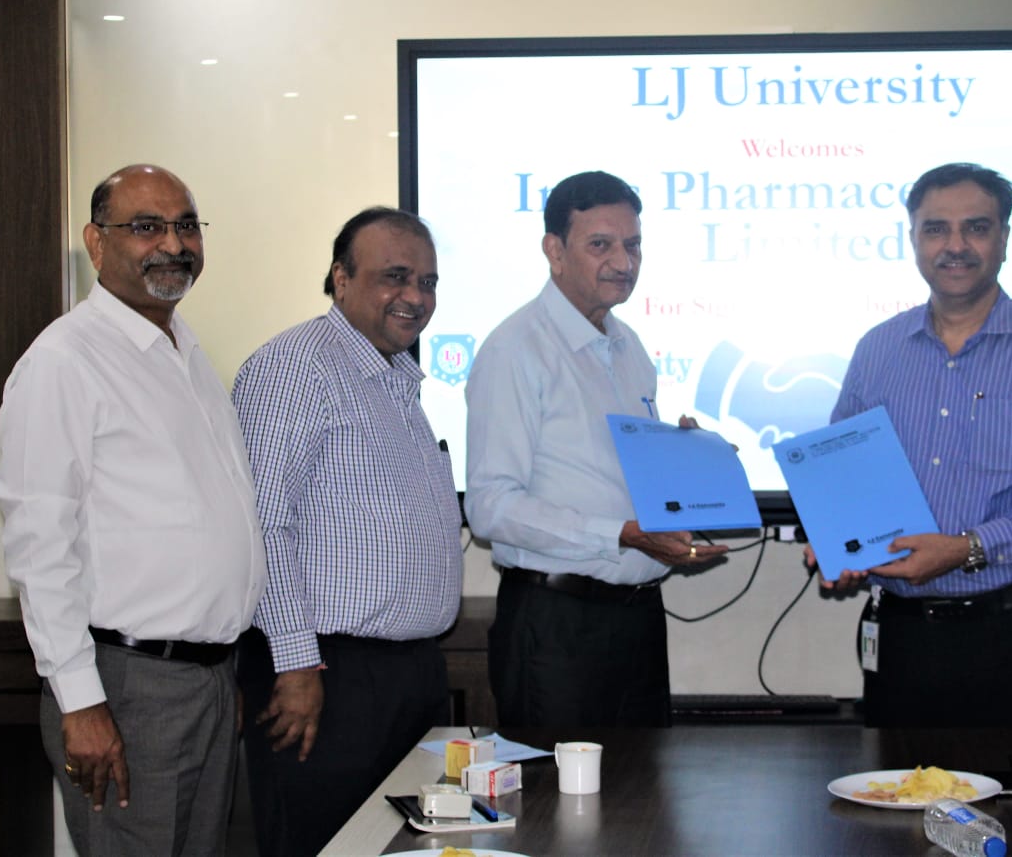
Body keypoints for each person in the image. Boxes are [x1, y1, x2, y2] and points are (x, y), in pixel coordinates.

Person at [0, 164, 267, 855]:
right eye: (146, 226)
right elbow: (40, 546)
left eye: (186, 226)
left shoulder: (186, 353)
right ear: (96, 242)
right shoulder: (65, 361)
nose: (172, 244)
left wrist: (218, 667)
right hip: (126, 687)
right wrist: (81, 702)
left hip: (206, 680)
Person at [821, 162, 1012, 727]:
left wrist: (967, 548)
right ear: (912, 240)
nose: (955, 246)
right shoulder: (878, 350)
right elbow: (843, 478)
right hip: (902, 637)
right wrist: (835, 539)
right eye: (936, 229)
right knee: (897, 782)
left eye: (976, 228)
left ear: (1004, 238)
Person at [232, 207, 464, 857]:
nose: (415, 296)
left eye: (427, 281)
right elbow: (263, 523)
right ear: (341, 278)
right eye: (395, 276)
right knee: (324, 846)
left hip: (406, 675)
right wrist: (297, 663)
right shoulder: (296, 367)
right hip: (325, 677)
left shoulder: (394, 379)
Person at [465, 170, 726, 728]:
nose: (623, 262)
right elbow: (489, 506)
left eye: (633, 245)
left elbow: (615, 481)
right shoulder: (516, 349)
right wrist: (618, 534)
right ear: (554, 251)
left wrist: (686, 464)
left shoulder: (629, 347)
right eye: (601, 245)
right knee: (555, 786)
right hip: (556, 624)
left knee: (645, 783)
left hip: (637, 619)